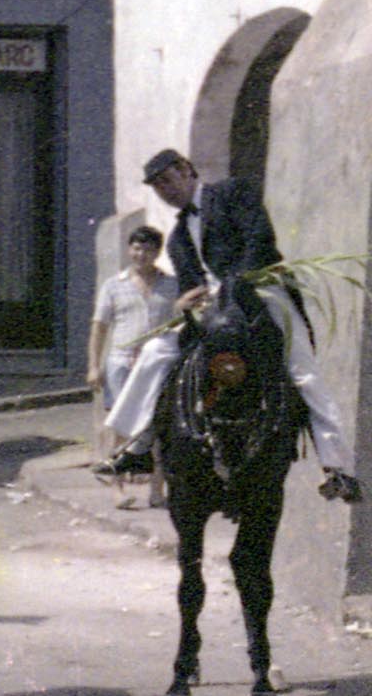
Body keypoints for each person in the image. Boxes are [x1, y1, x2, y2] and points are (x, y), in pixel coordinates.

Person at [96, 149, 363, 502]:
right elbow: (189, 282)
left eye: (167, 181)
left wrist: (235, 284)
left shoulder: (232, 193)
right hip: (213, 309)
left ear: (187, 171)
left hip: (261, 293)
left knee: (302, 371)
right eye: (157, 187)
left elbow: (260, 239)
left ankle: (336, 468)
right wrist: (183, 304)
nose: (164, 191)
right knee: (155, 350)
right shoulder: (176, 238)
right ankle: (139, 443)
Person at [87, 225, 176, 509]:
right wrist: (93, 366)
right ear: (129, 250)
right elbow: (99, 328)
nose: (141, 254)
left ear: (157, 252)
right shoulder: (114, 285)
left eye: (148, 249)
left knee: (159, 426)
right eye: (136, 248)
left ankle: (157, 491)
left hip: (157, 364)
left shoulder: (171, 284)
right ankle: (118, 490)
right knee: (121, 428)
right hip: (120, 364)